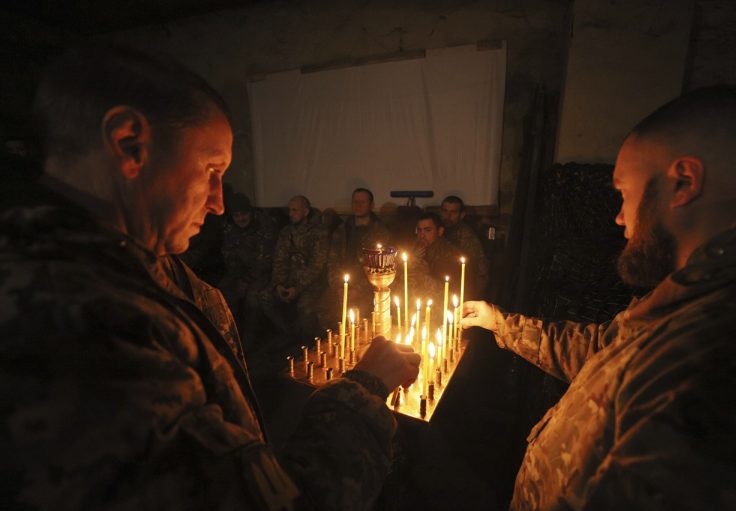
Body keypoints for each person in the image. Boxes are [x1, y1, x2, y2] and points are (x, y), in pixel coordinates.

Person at [0, 45, 421, 510]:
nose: (219, 202)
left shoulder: (138, 264)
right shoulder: (69, 328)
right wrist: (363, 390)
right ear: (129, 144)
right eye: (211, 170)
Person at [461, 85, 736, 510]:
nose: (619, 216)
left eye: (624, 192)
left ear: (683, 182)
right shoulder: (681, 304)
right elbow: (603, 350)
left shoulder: (720, 355)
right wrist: (500, 322)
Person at [218, 192, 278, 353]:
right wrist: (238, 278)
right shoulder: (229, 228)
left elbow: (266, 259)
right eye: (236, 215)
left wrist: (246, 280)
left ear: (250, 212)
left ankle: (248, 344)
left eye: (244, 214)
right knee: (220, 293)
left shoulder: (265, 225)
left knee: (253, 297)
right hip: (240, 273)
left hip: (263, 272)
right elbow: (229, 255)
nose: (241, 219)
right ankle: (227, 338)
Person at [265, 195, 328, 344]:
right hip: (288, 281)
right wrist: (278, 284)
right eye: (289, 210)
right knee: (264, 297)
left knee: (305, 306)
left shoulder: (319, 233)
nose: (290, 214)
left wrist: (297, 288)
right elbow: (279, 260)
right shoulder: (286, 232)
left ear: (305, 212)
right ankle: (289, 333)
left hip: (311, 283)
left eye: (294, 210)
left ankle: (308, 344)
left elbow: (316, 266)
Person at [325, 188, 391, 325]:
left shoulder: (380, 232)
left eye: (363, 202)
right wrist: (338, 287)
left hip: (367, 288)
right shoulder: (342, 230)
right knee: (322, 311)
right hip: (341, 286)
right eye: (355, 202)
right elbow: (333, 261)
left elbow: (380, 269)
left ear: (371, 205)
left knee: (362, 319)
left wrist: (358, 289)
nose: (358, 205)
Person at [408, 212, 463, 305]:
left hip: (441, 302)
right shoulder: (416, 246)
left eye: (427, 230)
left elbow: (443, 287)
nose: (422, 235)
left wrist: (414, 262)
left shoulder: (448, 253)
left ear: (440, 231)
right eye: (419, 230)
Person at [440, 195, 489, 298]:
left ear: (461, 215)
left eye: (453, 212)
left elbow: (479, 270)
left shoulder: (467, 237)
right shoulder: (438, 230)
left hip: (462, 290)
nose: (448, 216)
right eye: (445, 211)